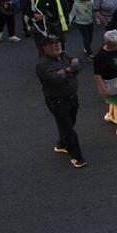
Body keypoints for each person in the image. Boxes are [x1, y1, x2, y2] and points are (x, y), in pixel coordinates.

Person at [35, 36, 86, 168]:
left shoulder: (64, 55)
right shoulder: (42, 65)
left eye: (58, 43)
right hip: (57, 101)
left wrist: (67, 70)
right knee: (69, 129)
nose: (57, 46)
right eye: (52, 45)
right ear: (44, 48)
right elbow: (56, 79)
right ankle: (77, 157)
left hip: (72, 97)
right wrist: (70, 69)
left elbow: (79, 63)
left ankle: (62, 144)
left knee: (69, 123)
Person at [92, 30, 117, 140]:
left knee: (115, 102)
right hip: (112, 84)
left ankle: (110, 115)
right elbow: (97, 74)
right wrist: (102, 88)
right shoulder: (100, 57)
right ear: (108, 43)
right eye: (115, 44)